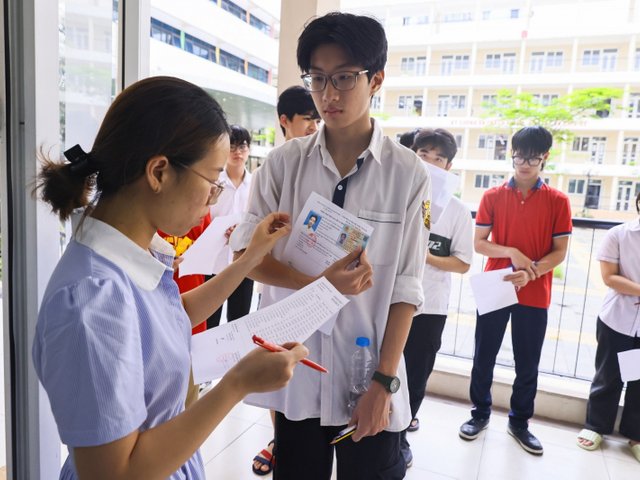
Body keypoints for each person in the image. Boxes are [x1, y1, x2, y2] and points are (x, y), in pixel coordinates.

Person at [32, 76, 308, 479]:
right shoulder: (91, 301)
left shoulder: (129, 254)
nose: (213, 198)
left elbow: (168, 317)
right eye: (211, 181)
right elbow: (114, 474)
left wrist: (250, 258)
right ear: (159, 172)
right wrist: (236, 384)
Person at [231, 12, 431, 480]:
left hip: (367, 374)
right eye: (318, 79)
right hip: (296, 372)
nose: (329, 95)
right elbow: (245, 259)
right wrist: (317, 283)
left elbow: (406, 288)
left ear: (375, 79)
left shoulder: (406, 173)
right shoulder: (282, 164)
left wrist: (384, 382)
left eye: (344, 77)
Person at [459, 126, 572, 455]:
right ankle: (479, 413)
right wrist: (512, 252)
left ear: (545, 157)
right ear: (512, 154)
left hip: (535, 293)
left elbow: (560, 252)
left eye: (532, 158)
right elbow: (480, 244)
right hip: (495, 286)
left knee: (527, 362)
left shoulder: (558, 201)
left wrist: (531, 272)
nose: (524, 164)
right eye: (519, 157)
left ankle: (520, 422)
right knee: (484, 355)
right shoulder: (492, 196)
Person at [251, 89, 322, 476]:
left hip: (325, 297)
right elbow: (248, 250)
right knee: (282, 381)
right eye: (307, 117)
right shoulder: (275, 169)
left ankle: (291, 442)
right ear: (285, 121)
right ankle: (280, 439)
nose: (314, 125)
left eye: (317, 119)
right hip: (280, 292)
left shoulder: (325, 168)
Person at [400, 128, 473, 466]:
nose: (429, 163)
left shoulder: (456, 211)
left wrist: (426, 255)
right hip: (390, 299)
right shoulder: (396, 195)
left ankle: (401, 435)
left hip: (430, 305)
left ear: (449, 166)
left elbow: (463, 262)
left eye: (438, 158)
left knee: (416, 374)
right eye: (423, 155)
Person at [576, 191, 640, 463]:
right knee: (609, 375)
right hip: (618, 320)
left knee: (638, 380)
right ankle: (596, 426)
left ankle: (635, 434)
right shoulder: (620, 235)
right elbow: (609, 277)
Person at [159, 213, 212, 408]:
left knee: (189, 399)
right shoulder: (149, 220)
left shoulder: (201, 215)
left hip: (192, 321)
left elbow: (212, 254)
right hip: (159, 321)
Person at [207, 125, 255, 329]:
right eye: (232, 147)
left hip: (243, 261)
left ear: (249, 149)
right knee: (209, 320)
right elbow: (204, 217)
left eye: (242, 146)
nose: (237, 152)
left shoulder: (255, 184)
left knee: (239, 321)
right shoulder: (214, 183)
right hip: (213, 261)